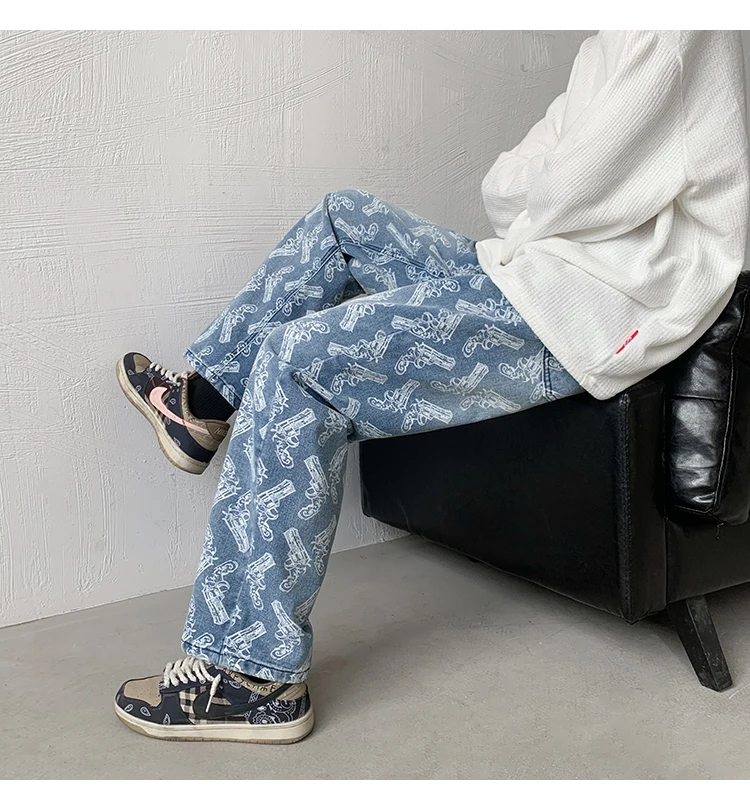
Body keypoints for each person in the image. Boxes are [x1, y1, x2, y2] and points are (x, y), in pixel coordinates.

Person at [113, 30, 749, 744]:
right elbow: (510, 187)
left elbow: (564, 191)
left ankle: (252, 676)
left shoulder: (675, 30)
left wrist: (552, 191)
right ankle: (200, 407)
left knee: (300, 359)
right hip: (533, 275)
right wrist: (553, 193)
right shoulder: (613, 37)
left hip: (589, 311)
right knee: (342, 219)